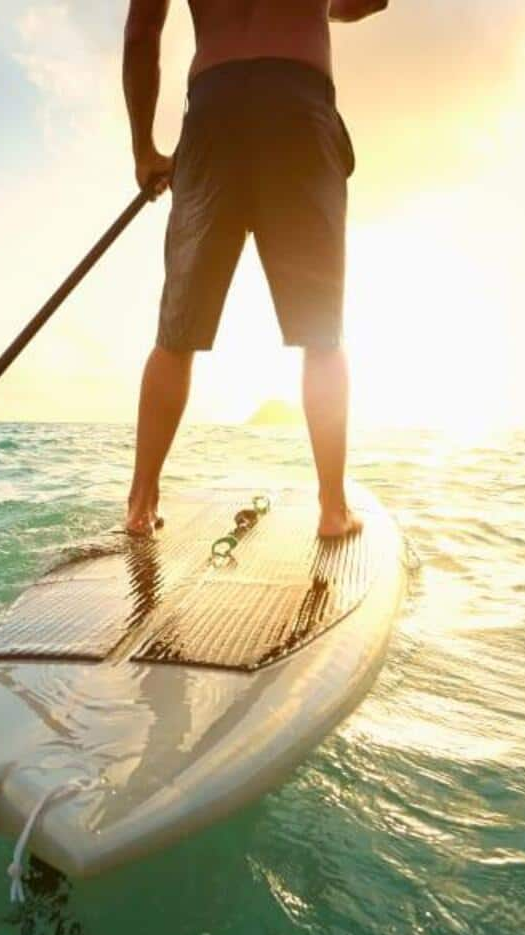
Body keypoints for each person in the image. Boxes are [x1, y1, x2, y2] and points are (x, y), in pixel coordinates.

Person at [122, 0, 387, 538]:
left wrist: (144, 150)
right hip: (297, 104)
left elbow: (142, 29)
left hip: (214, 111)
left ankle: (139, 505)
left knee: (176, 333)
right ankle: (333, 508)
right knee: (321, 333)